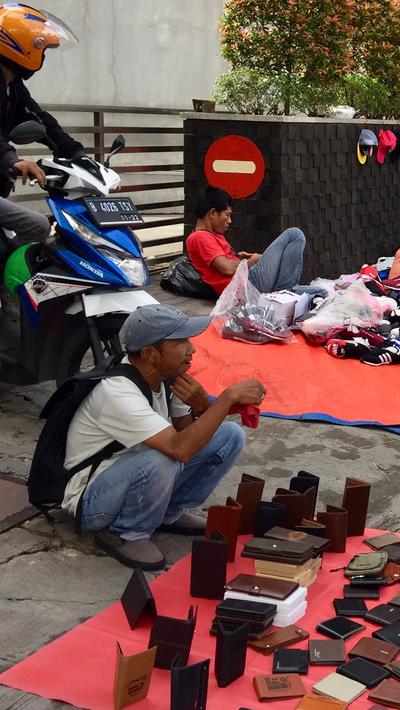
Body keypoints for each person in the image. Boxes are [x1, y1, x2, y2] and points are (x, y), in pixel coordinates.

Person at [64, 304, 264, 569]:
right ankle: (129, 532)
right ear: (150, 354)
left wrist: (203, 406)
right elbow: (179, 449)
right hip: (92, 500)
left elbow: (186, 433)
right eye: (180, 342)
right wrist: (226, 399)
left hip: (137, 470)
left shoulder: (169, 377)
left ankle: (169, 513)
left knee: (229, 435)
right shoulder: (117, 392)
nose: (191, 349)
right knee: (164, 458)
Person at [0, 6, 86, 250]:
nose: (43, 56)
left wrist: (76, 153)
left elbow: (40, 120)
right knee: (37, 225)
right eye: (41, 48)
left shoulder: (12, 85)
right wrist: (12, 159)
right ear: (20, 45)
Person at [186, 187, 308, 296]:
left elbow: (223, 262)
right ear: (213, 213)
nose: (229, 221)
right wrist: (249, 262)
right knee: (295, 234)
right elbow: (226, 268)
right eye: (227, 215)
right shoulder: (200, 237)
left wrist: (239, 257)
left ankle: (286, 292)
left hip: (248, 280)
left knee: (320, 292)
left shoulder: (214, 234)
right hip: (246, 284)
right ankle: (284, 294)